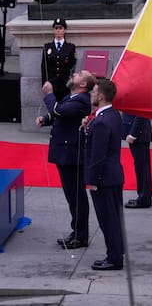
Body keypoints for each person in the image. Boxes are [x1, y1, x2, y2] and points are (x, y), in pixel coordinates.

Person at [35, 70, 94, 250]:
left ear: (83, 84)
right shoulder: (72, 97)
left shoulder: (81, 100)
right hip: (65, 153)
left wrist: (49, 94)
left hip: (71, 155)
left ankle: (80, 235)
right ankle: (76, 231)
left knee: (76, 196)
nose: (74, 74)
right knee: (71, 196)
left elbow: (58, 110)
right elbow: (60, 114)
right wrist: (45, 119)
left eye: (79, 74)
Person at [84, 77, 125, 270]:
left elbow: (98, 155)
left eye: (93, 92)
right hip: (113, 175)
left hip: (104, 178)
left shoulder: (100, 121)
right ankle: (116, 252)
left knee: (107, 219)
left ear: (100, 96)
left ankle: (114, 258)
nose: (91, 95)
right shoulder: (113, 115)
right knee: (114, 218)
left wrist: (92, 180)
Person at [41, 17, 77, 101]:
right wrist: (45, 82)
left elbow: (72, 66)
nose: (58, 31)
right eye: (56, 28)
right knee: (52, 104)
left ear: (64, 30)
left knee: (65, 105)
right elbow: (44, 67)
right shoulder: (47, 47)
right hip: (52, 83)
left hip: (65, 83)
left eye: (60, 28)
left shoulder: (70, 47)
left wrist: (71, 81)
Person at [122, 113, 152, 208]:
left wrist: (133, 134)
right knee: (141, 168)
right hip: (138, 134)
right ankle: (143, 196)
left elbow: (141, 113)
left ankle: (144, 198)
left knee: (142, 168)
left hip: (139, 135)